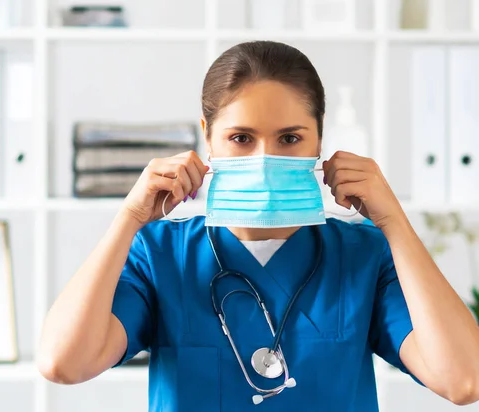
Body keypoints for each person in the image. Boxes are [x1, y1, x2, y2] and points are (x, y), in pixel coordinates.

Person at [37, 40, 479, 411]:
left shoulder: (365, 254)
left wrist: (394, 222)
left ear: (319, 141)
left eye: (290, 138)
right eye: (241, 138)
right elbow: (63, 363)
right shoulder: (159, 254)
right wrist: (127, 219)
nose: (264, 159)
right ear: (207, 136)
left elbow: (463, 380)